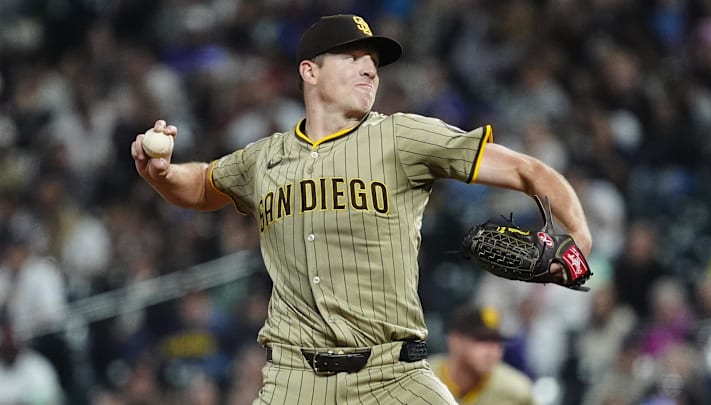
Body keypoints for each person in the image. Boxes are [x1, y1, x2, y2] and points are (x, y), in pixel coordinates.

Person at [130, 14, 592, 405]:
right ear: (309, 71)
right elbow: (201, 185)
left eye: (373, 63)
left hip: (394, 377)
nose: (369, 70)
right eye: (353, 58)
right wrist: (163, 174)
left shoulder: (402, 136)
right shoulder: (262, 158)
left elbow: (528, 171)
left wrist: (580, 241)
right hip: (295, 379)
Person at [428, 305, 535, 405]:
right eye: (481, 340)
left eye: (496, 341)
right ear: (455, 341)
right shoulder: (419, 378)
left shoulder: (516, 391)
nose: (492, 351)